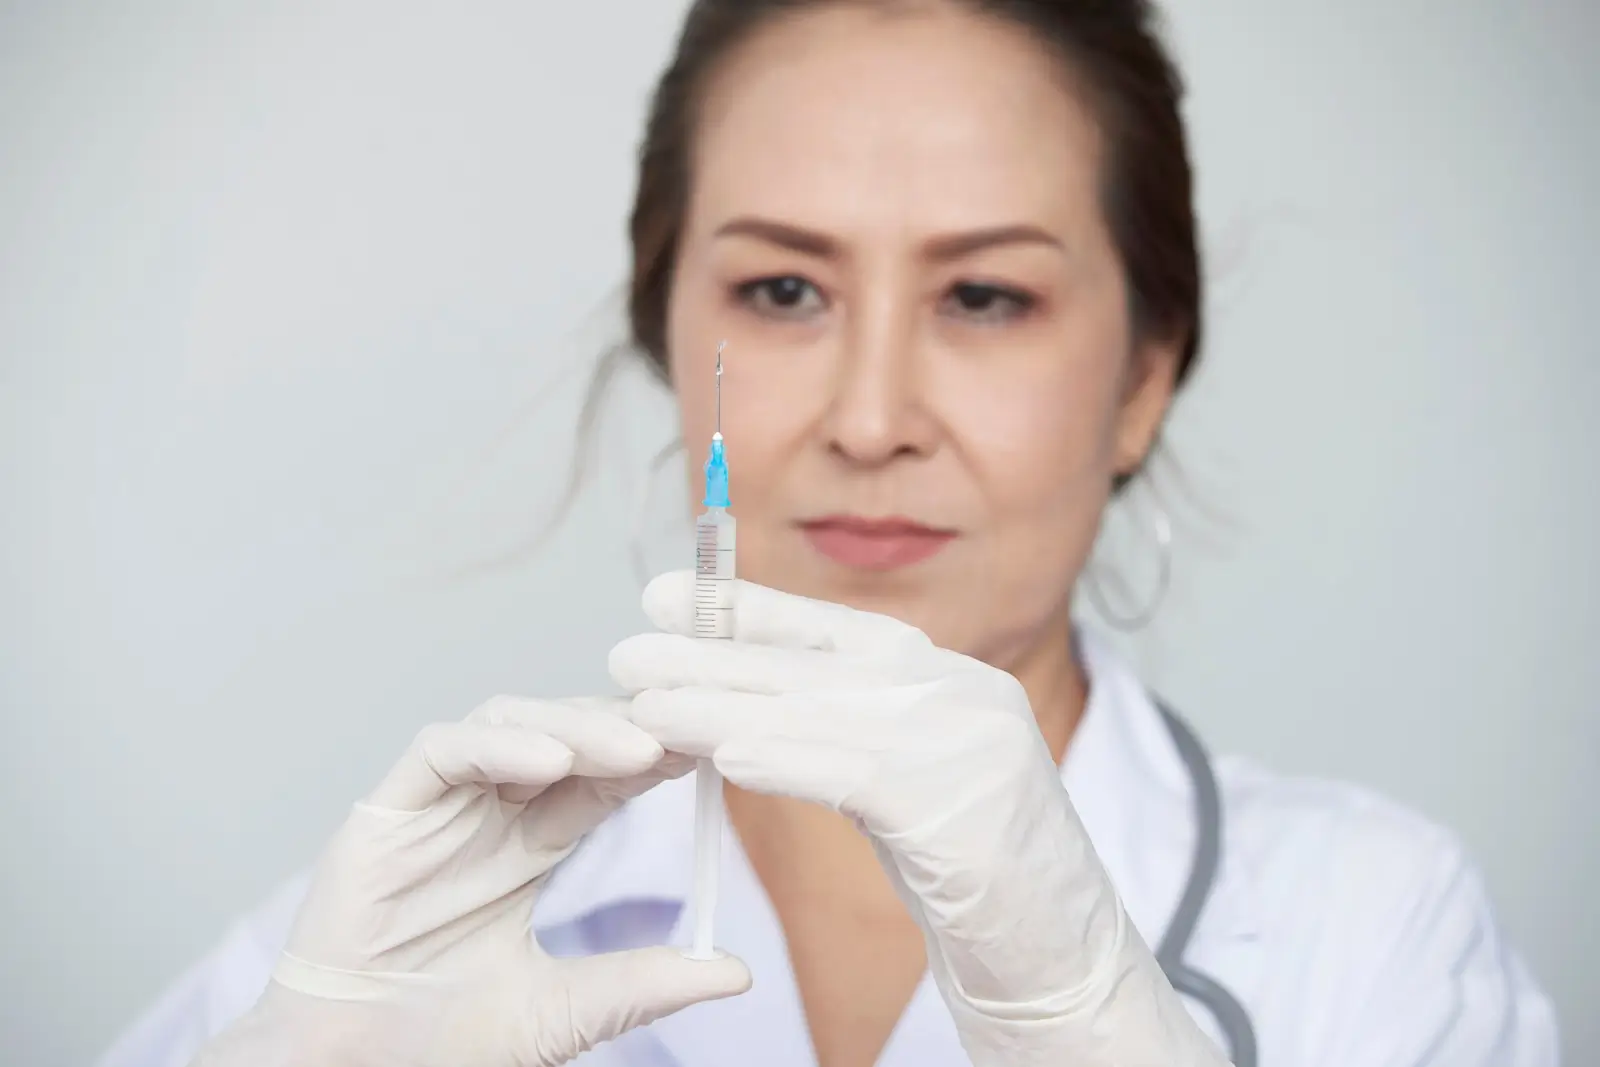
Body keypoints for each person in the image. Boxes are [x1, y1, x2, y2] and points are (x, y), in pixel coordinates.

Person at [97, 1, 1561, 1065]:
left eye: (986, 297)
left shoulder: (1369, 929)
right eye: (783, 293)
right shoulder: (390, 943)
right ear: (671, 335)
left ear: (1143, 382)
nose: (869, 417)